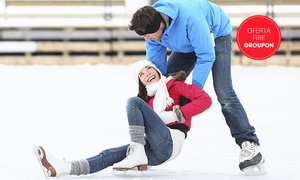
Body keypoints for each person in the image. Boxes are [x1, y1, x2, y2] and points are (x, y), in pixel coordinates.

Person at [128, 0, 267, 175]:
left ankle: (249, 144)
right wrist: (156, 89)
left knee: (224, 92)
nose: (147, 38)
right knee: (167, 86)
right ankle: (158, 139)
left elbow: (206, 55)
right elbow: (158, 72)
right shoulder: (151, 28)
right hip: (188, 42)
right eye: (144, 36)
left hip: (216, 35)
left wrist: (194, 91)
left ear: (160, 24)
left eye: (148, 35)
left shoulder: (190, 18)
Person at [33, 60, 212, 178]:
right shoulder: (146, 102)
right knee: (109, 154)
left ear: (156, 70)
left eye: (148, 68)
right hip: (156, 153)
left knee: (132, 102)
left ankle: (137, 152)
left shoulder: (175, 85)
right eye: (141, 74)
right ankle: (66, 168)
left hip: (171, 141)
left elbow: (205, 100)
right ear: (141, 83)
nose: (147, 73)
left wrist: (175, 115)